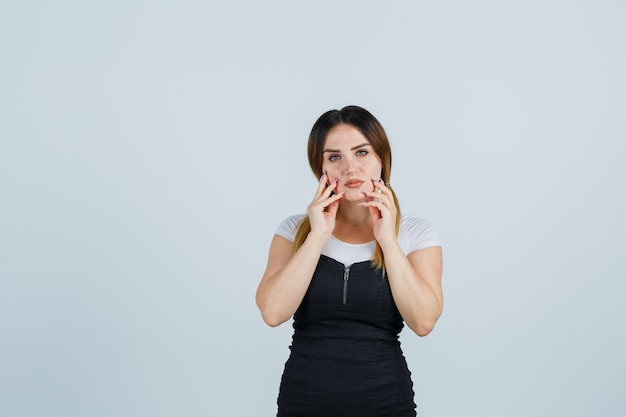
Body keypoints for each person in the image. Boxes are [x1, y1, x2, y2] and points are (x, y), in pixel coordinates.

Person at [256, 105, 443, 417]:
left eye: (361, 153)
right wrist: (317, 235)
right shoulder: (293, 230)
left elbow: (423, 322)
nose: (350, 168)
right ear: (321, 169)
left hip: (387, 404)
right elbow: (273, 312)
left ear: (381, 158)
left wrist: (386, 238)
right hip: (303, 404)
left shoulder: (416, 234)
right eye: (334, 157)